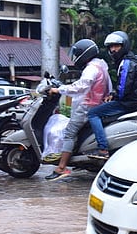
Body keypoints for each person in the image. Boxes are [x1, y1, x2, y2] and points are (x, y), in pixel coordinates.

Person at [43, 39, 112, 181]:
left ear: (84, 54)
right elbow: (108, 87)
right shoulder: (101, 66)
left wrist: (59, 89)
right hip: (97, 104)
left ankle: (61, 168)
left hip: (88, 106)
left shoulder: (91, 68)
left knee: (69, 133)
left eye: (77, 54)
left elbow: (80, 87)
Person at [85, 30, 137, 159]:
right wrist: (113, 94)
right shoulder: (134, 60)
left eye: (116, 46)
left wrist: (114, 96)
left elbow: (123, 89)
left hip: (129, 103)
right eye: (111, 47)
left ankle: (102, 148)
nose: (113, 50)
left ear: (124, 46)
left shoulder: (126, 63)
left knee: (93, 114)